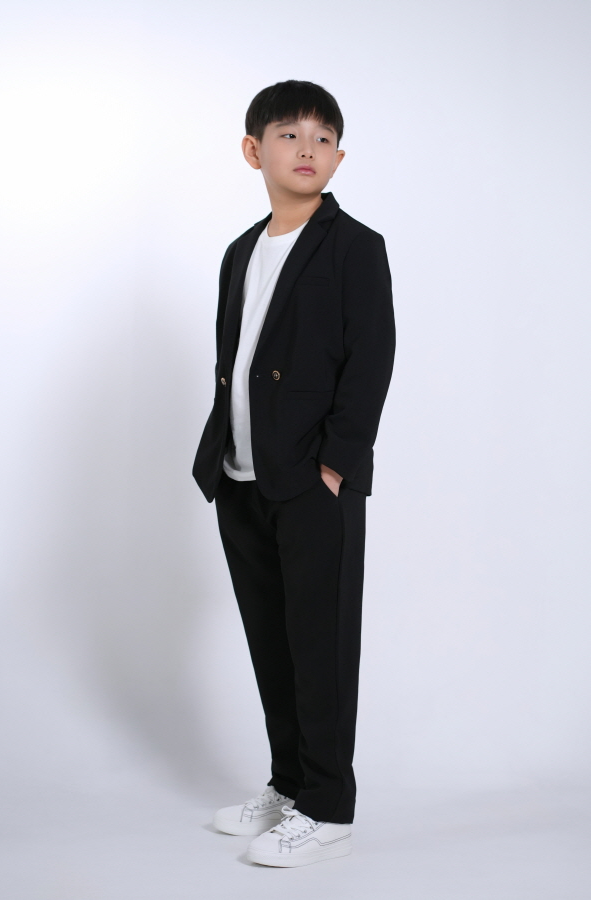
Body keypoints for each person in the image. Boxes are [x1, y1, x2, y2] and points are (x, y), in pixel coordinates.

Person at [192, 79, 395, 867]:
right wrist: (221, 456)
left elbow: (370, 361)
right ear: (254, 151)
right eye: (289, 134)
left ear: (339, 157)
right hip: (241, 475)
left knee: (321, 645)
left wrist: (336, 467)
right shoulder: (241, 250)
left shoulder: (355, 247)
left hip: (312, 480)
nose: (307, 148)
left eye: (322, 137)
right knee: (271, 643)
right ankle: (289, 783)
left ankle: (329, 806)